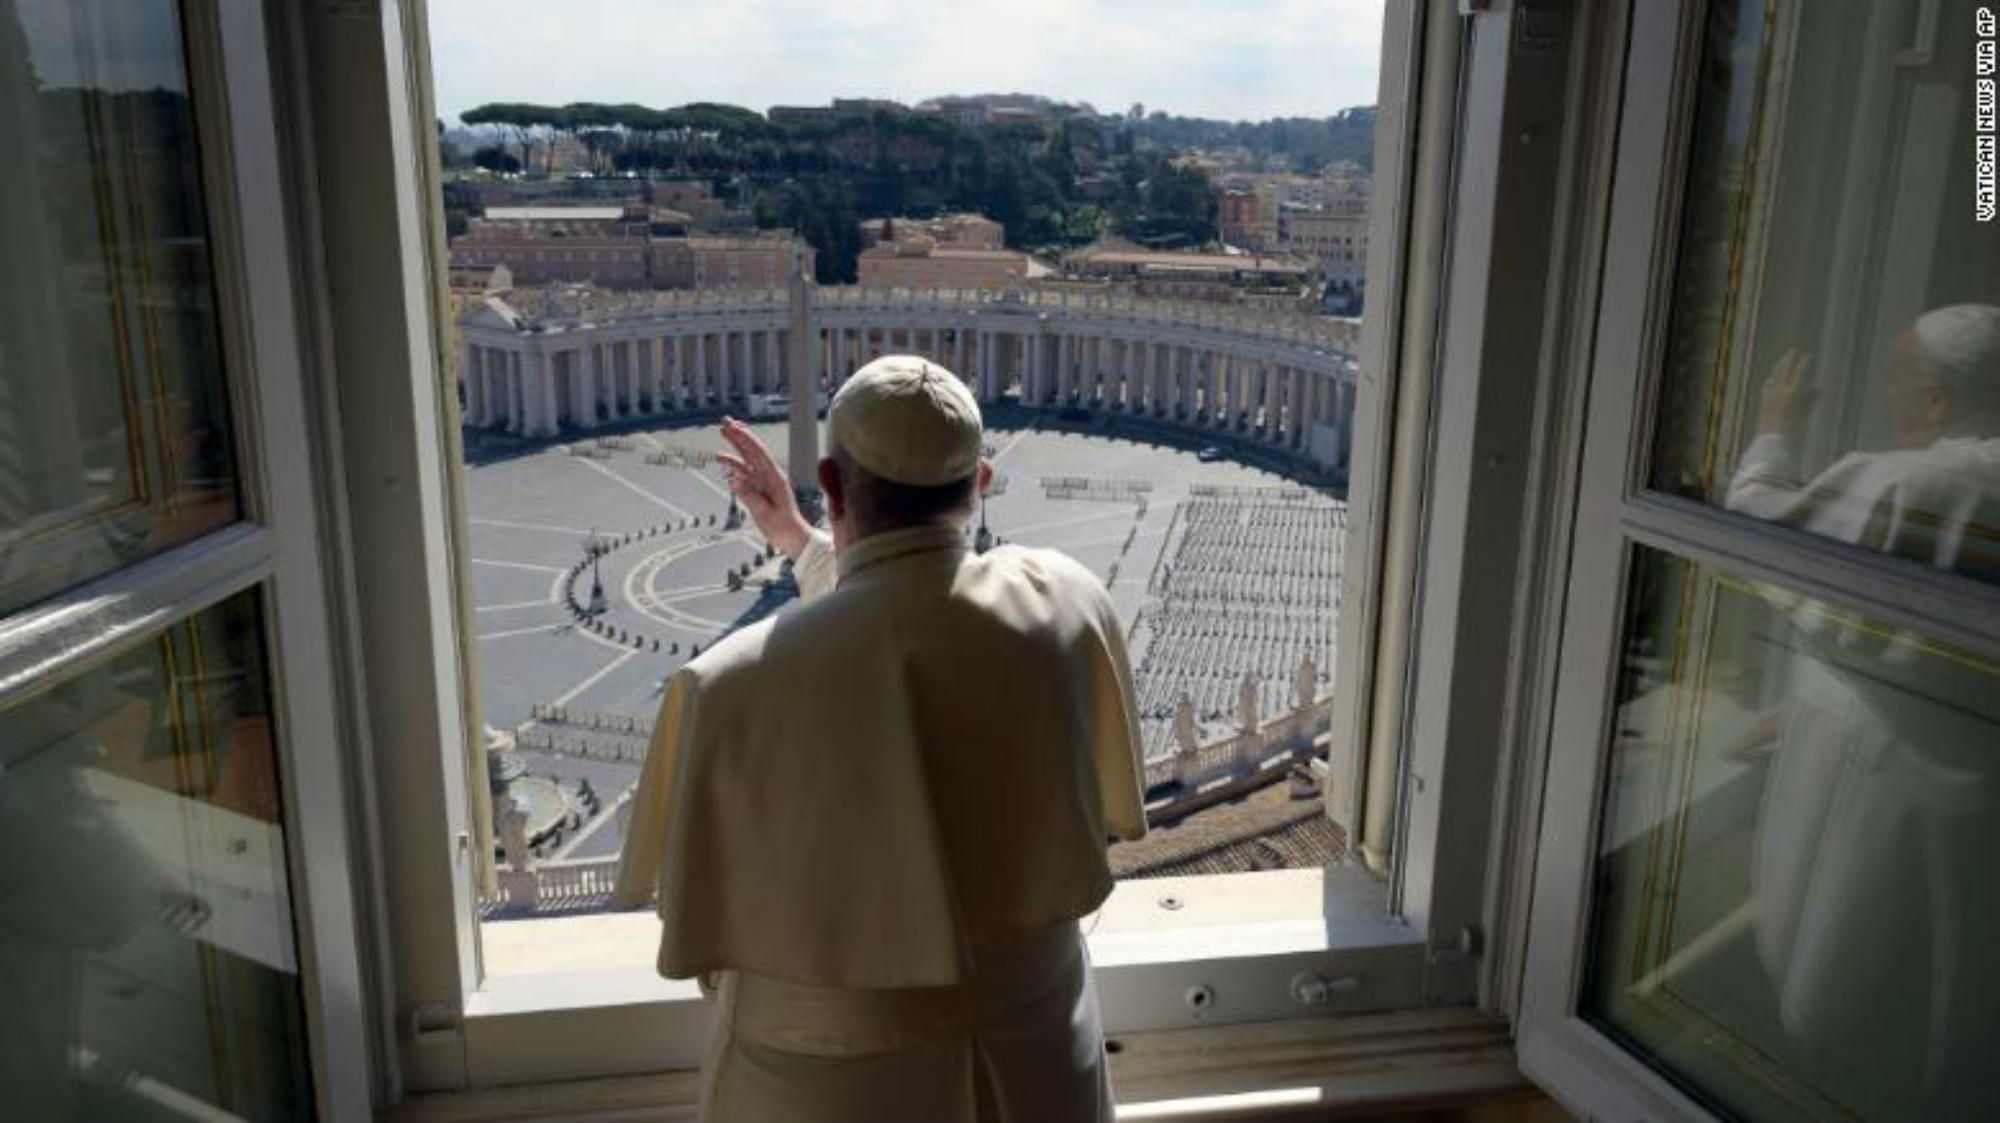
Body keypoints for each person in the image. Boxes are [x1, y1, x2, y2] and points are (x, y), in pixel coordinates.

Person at [614, 356, 1147, 1123]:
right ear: (983, 481)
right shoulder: (1069, 599)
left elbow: (879, 622)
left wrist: (808, 538)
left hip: (822, 1087)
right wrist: (800, 542)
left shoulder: (723, 687)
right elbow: (923, 608)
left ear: (830, 483)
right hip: (1040, 1056)